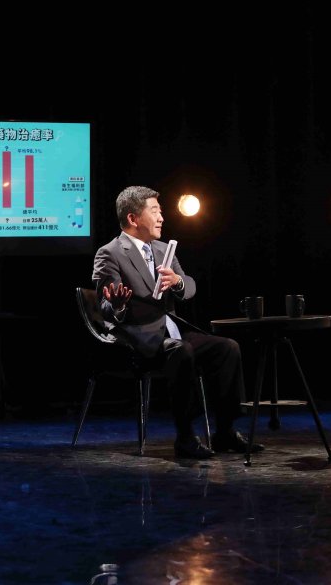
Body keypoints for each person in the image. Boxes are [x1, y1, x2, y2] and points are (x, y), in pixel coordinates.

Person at [92, 186, 256, 459]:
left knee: (227, 347)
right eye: (155, 211)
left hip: (171, 332)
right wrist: (118, 305)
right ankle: (185, 436)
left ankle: (225, 431)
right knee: (182, 351)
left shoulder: (163, 249)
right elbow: (105, 307)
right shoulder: (110, 253)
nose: (162, 218)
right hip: (138, 341)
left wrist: (177, 282)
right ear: (133, 218)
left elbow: (190, 286)